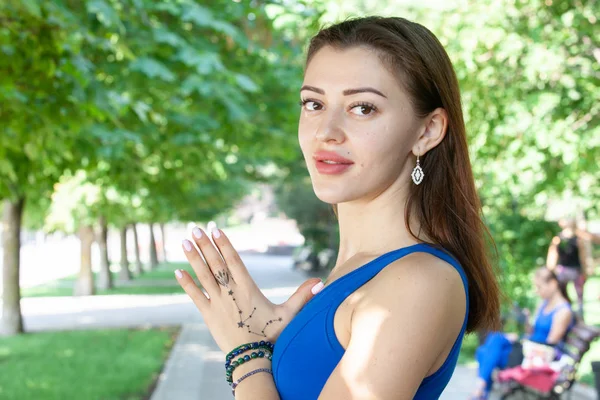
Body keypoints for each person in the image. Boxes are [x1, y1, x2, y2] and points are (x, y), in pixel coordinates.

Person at [175, 16, 500, 399]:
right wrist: (270, 339)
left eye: (362, 108)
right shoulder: (357, 270)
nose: (325, 130)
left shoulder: (419, 281)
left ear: (426, 131)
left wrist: (245, 353)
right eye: (313, 103)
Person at [470, 267, 574, 399]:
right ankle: (481, 391)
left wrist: (523, 340)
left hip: (538, 357)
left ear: (553, 284)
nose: (537, 291)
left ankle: (480, 391)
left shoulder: (563, 311)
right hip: (527, 350)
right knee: (493, 341)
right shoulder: (543, 304)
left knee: (484, 352)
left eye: (539, 287)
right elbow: (532, 331)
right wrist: (527, 322)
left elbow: (550, 344)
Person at [546, 218, 587, 318]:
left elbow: (582, 256)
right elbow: (553, 255)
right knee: (564, 294)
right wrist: (550, 270)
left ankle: (578, 318)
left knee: (578, 296)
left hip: (573, 270)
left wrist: (584, 271)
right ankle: (566, 316)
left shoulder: (577, 238)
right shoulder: (558, 239)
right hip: (565, 270)